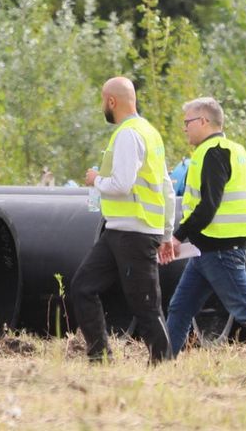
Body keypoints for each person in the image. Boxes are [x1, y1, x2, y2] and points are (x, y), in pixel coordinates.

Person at [159, 96, 246, 365]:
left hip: (220, 250)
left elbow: (209, 206)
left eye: (187, 122)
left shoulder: (214, 153)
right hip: (207, 250)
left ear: (203, 121)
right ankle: (162, 363)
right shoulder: (235, 151)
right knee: (180, 306)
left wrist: (176, 236)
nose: (184, 128)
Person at [68, 76, 173, 363]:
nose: (103, 106)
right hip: (120, 231)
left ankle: (163, 363)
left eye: (103, 100)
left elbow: (122, 184)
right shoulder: (149, 132)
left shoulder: (128, 134)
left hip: (134, 233)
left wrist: (95, 180)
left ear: (111, 101)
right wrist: (166, 234)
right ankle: (99, 357)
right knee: (83, 287)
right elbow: (168, 189)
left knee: (146, 306)